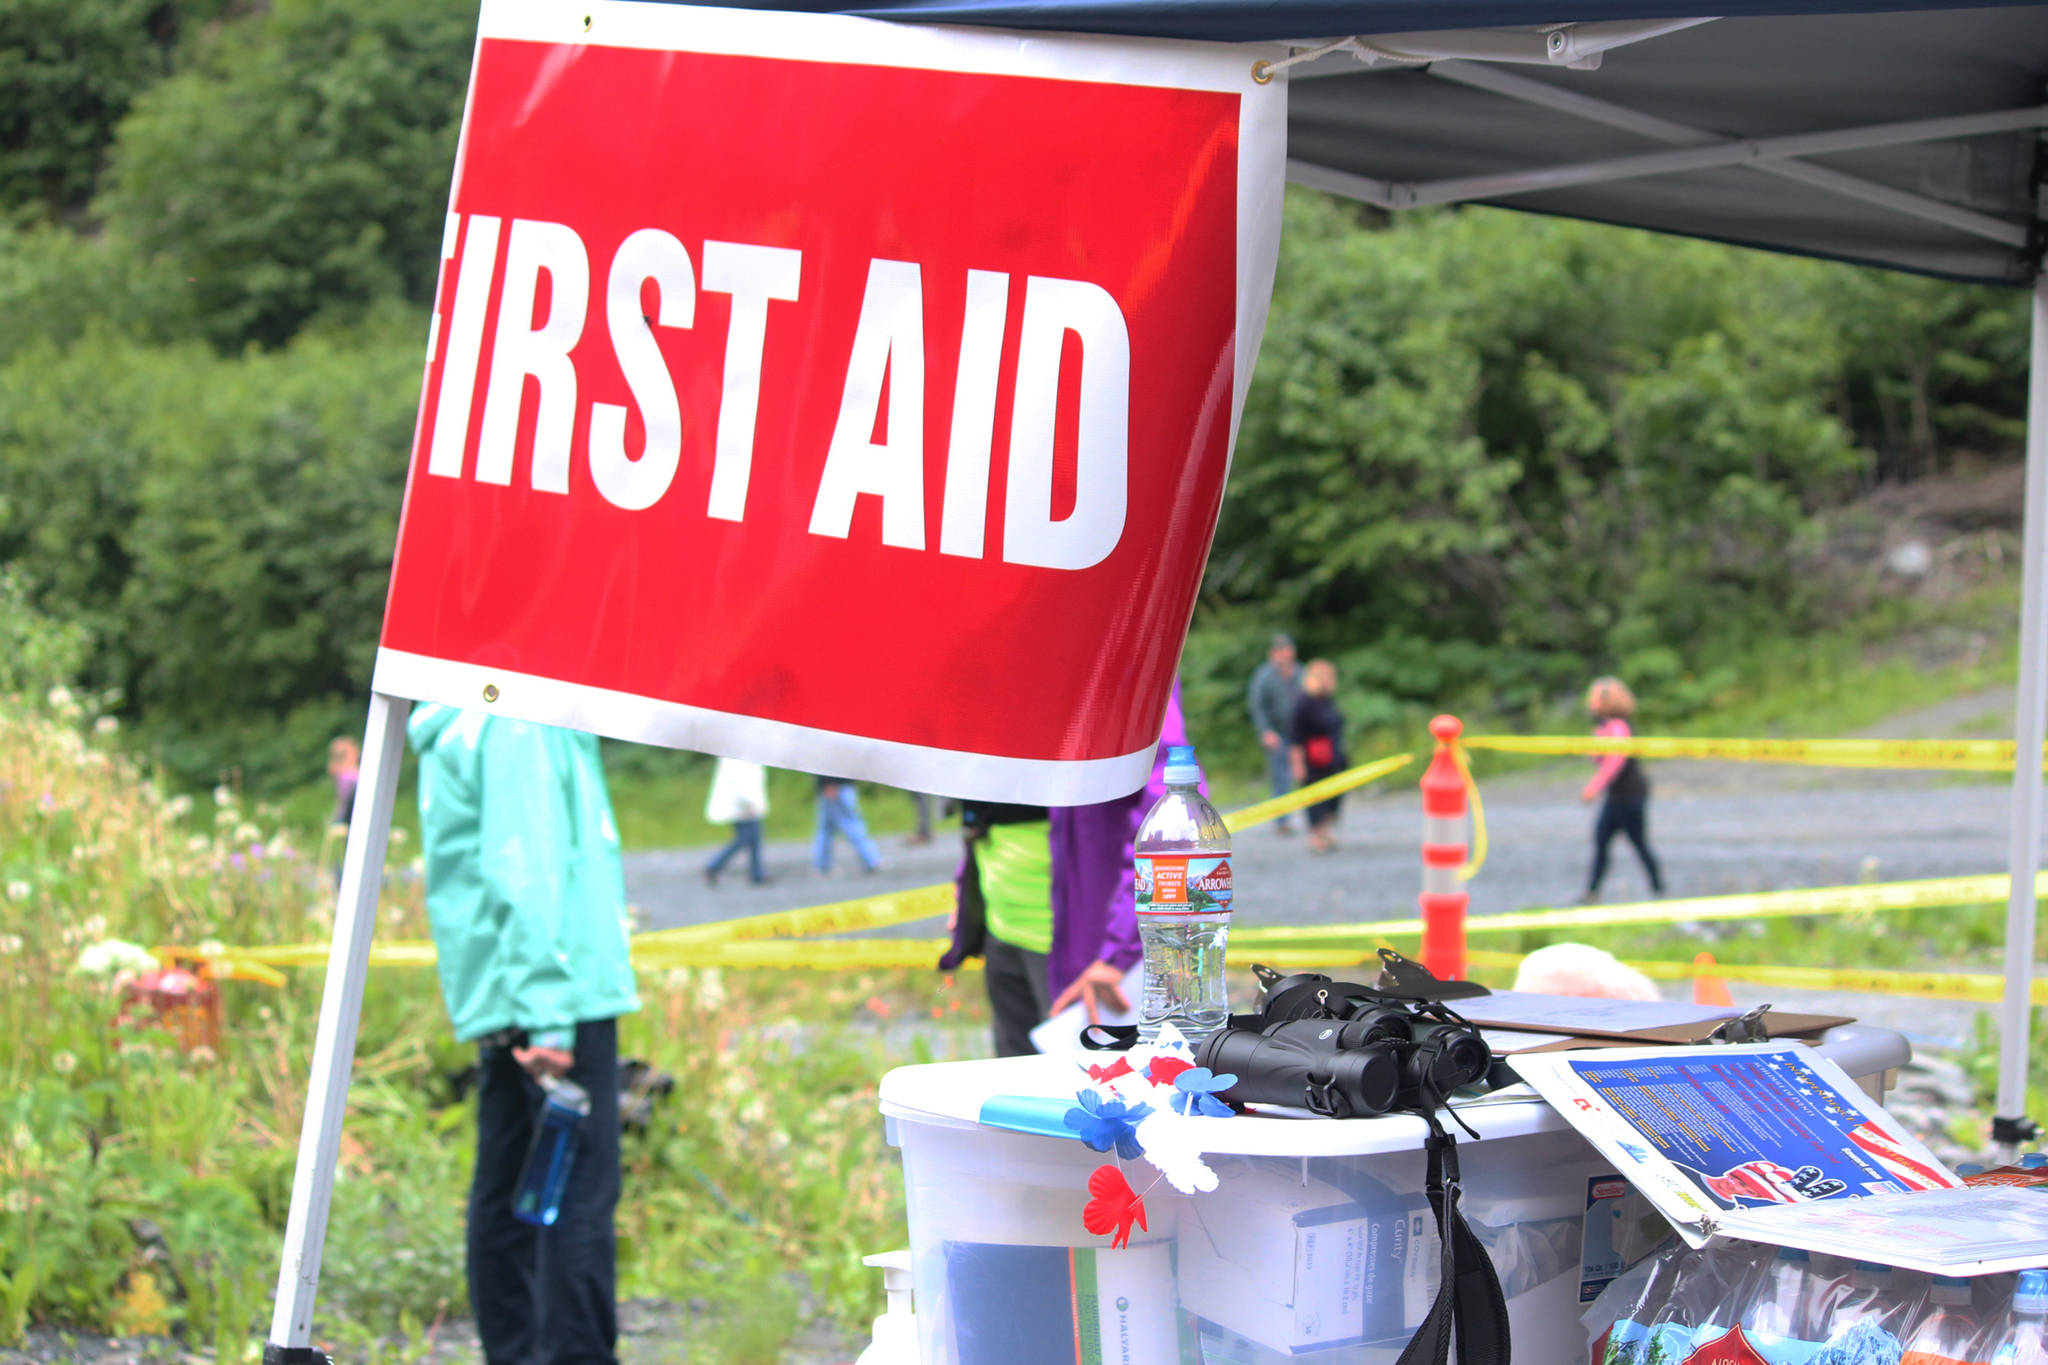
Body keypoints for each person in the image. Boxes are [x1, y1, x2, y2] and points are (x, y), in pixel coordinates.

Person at [408, 706, 640, 1365]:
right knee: (578, 1196)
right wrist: (550, 1016)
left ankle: (516, 1352)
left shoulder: (473, 715)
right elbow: (525, 868)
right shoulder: (518, 717)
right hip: (553, 997)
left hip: (516, 991)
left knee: (511, 1186)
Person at [941, 685, 1193, 1055]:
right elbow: (991, 800)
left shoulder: (1114, 645)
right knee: (1015, 1097)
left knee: (1081, 1095)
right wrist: (969, 890)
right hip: (1004, 931)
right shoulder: (1004, 655)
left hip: (1086, 951)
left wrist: (1122, 948)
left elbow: (1171, 812)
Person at [1580, 676, 1664, 901]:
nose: (1590, 702)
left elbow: (1615, 760)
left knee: (1633, 842)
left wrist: (1594, 786)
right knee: (1605, 841)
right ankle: (1593, 891)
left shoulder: (1618, 726)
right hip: (1619, 795)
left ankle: (1657, 889)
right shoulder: (1606, 726)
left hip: (1629, 795)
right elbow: (1599, 757)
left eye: (1595, 697)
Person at [1289, 659, 1347, 854]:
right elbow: (1296, 737)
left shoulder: (1328, 700)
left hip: (1334, 757)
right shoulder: (1303, 702)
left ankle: (1326, 831)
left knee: (1334, 797)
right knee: (1316, 798)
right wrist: (1298, 766)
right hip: (1313, 760)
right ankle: (1316, 835)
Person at [1247, 634, 1303, 833]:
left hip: (1301, 734)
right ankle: (1283, 821)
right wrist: (1266, 732)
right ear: (1274, 654)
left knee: (1307, 775)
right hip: (1278, 734)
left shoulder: (1300, 672)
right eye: (1281, 653)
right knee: (1281, 778)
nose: (1286, 657)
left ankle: (1316, 819)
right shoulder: (1264, 676)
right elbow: (1257, 706)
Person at [703, 756, 769, 886]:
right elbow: (740, 784)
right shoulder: (738, 759)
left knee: (754, 838)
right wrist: (750, 802)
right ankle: (714, 865)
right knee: (744, 839)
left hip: (745, 805)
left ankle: (757, 873)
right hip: (743, 806)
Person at [813, 775, 883, 875]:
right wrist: (828, 783)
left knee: (826, 829)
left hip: (832, 787)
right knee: (851, 825)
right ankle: (871, 859)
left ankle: (822, 865)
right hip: (837, 787)